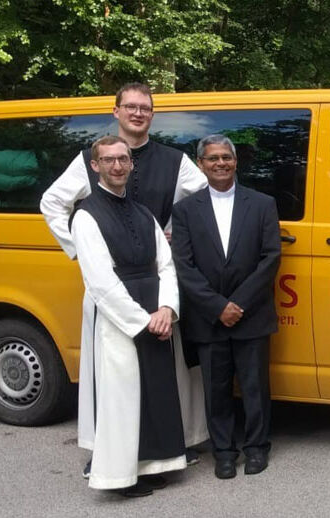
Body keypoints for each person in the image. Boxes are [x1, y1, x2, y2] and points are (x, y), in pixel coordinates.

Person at [40, 83, 209, 471]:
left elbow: (201, 202)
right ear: (115, 112)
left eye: (144, 107)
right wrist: (87, 251)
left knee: (168, 370)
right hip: (110, 287)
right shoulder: (90, 158)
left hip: (156, 282)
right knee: (111, 374)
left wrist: (173, 235)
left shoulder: (173, 160)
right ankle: (106, 452)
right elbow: (52, 202)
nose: (137, 113)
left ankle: (171, 444)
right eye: (130, 107)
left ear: (152, 114)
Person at [71, 135, 187, 497]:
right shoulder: (86, 216)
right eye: (109, 160)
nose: (117, 166)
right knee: (122, 397)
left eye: (123, 159)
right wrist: (142, 321)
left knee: (153, 392)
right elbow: (100, 281)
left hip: (154, 308)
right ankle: (119, 477)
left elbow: (166, 265)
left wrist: (167, 309)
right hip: (120, 317)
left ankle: (149, 464)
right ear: (96, 166)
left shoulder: (143, 212)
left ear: (131, 164)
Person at [170, 135, 281, 479]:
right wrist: (218, 307)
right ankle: (224, 453)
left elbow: (270, 257)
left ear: (236, 162)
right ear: (201, 164)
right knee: (215, 390)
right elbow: (183, 265)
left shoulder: (262, 203)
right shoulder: (186, 210)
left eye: (226, 157)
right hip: (209, 318)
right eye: (213, 158)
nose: (220, 163)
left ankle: (257, 448)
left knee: (254, 387)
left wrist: (238, 304)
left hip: (251, 314)